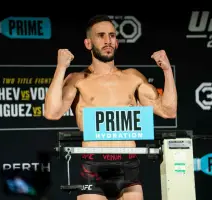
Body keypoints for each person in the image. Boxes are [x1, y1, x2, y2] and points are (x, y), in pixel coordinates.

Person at [44, 15, 177, 200]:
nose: (108, 40)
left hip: (129, 168)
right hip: (93, 168)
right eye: (101, 35)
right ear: (88, 43)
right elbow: (51, 112)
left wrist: (167, 71)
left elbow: (168, 111)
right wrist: (60, 68)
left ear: (117, 42)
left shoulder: (133, 78)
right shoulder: (77, 80)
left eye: (112, 35)